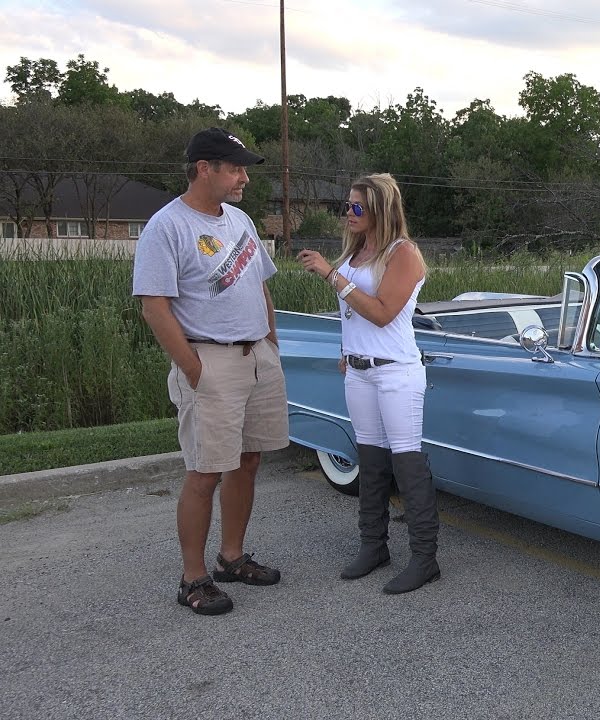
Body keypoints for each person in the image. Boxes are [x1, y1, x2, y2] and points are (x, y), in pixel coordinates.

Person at [133, 127, 289, 616]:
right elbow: (154, 307)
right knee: (204, 472)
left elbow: (259, 283)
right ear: (205, 169)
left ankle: (232, 557)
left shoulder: (239, 219)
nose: (243, 178)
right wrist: (194, 370)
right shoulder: (168, 226)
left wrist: (270, 340)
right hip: (210, 361)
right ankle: (193, 577)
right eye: (235, 168)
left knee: (248, 460)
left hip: (256, 357)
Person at [297, 173, 441, 594]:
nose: (348, 213)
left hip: (396, 370)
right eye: (346, 206)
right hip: (359, 370)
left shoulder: (403, 253)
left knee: (407, 461)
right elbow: (354, 316)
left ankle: (424, 558)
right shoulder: (356, 251)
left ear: (379, 209)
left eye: (357, 207)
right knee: (370, 459)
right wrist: (347, 349)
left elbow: (382, 313)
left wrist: (330, 275)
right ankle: (373, 545)